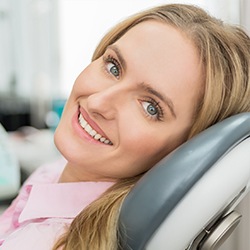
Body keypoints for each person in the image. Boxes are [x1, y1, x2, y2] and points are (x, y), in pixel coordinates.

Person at [0, 3, 250, 250]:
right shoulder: (54, 174)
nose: (98, 102)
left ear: (183, 152)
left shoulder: (45, 241)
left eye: (151, 107)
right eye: (113, 67)